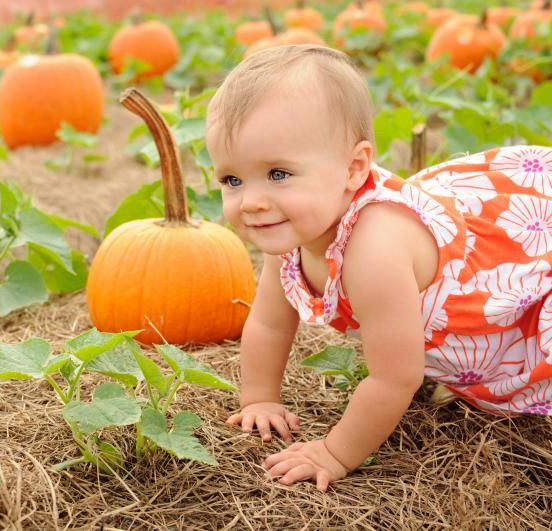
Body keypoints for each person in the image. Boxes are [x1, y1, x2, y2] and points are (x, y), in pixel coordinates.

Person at [205, 44, 552, 492]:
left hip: (515, 257)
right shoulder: (290, 229)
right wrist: (260, 399)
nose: (250, 200)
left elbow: (395, 377)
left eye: (278, 174)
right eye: (232, 179)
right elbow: (270, 324)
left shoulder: (375, 252)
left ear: (353, 169)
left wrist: (334, 451)